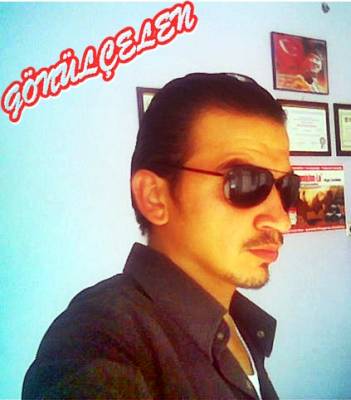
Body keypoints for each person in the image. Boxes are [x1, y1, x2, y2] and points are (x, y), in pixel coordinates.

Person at [22, 73, 301, 399]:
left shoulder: (234, 321)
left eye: (287, 187)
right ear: (155, 197)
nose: (281, 220)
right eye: (245, 183)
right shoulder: (98, 339)